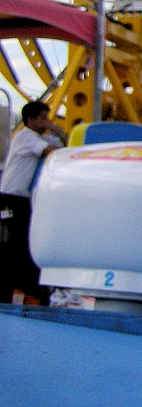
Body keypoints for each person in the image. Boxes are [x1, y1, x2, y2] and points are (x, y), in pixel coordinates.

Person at [0, 101, 66, 304]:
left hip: (22, 198)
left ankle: (19, 288)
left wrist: (58, 131)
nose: (48, 122)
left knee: (22, 241)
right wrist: (55, 130)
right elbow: (52, 152)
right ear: (31, 120)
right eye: (44, 118)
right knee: (19, 242)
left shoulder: (37, 137)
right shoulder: (25, 136)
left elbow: (66, 145)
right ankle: (22, 287)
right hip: (11, 197)